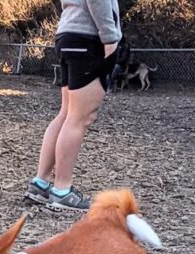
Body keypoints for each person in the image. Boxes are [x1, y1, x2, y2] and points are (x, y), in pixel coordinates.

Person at [24, 0, 122, 211]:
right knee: (80, 117)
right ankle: (62, 191)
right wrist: (110, 38)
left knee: (67, 114)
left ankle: (40, 184)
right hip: (89, 40)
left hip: (69, 35)